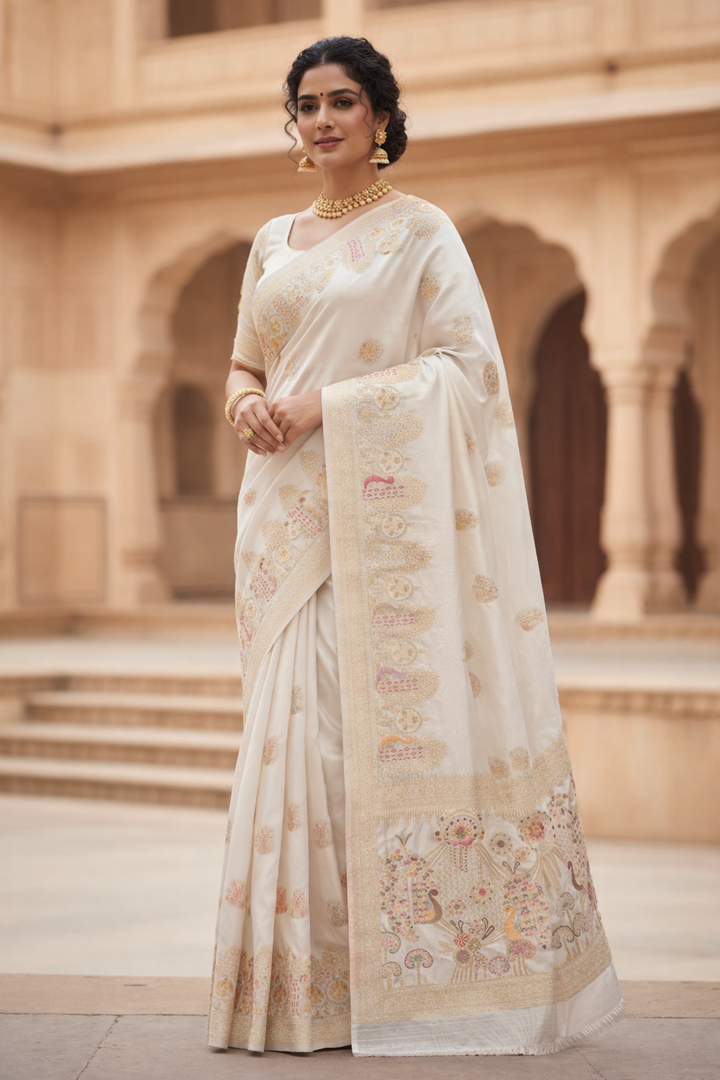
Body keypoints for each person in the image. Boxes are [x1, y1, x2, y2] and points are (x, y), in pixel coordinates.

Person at [207, 36, 624, 1058]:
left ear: (382, 117)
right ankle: (295, 996)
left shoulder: (423, 233)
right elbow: (241, 365)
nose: (322, 120)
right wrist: (249, 403)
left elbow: (468, 374)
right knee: (288, 739)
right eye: (306, 104)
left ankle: (392, 987)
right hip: (283, 521)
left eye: (343, 101)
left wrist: (326, 406)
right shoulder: (271, 239)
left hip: (371, 521)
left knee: (350, 738)